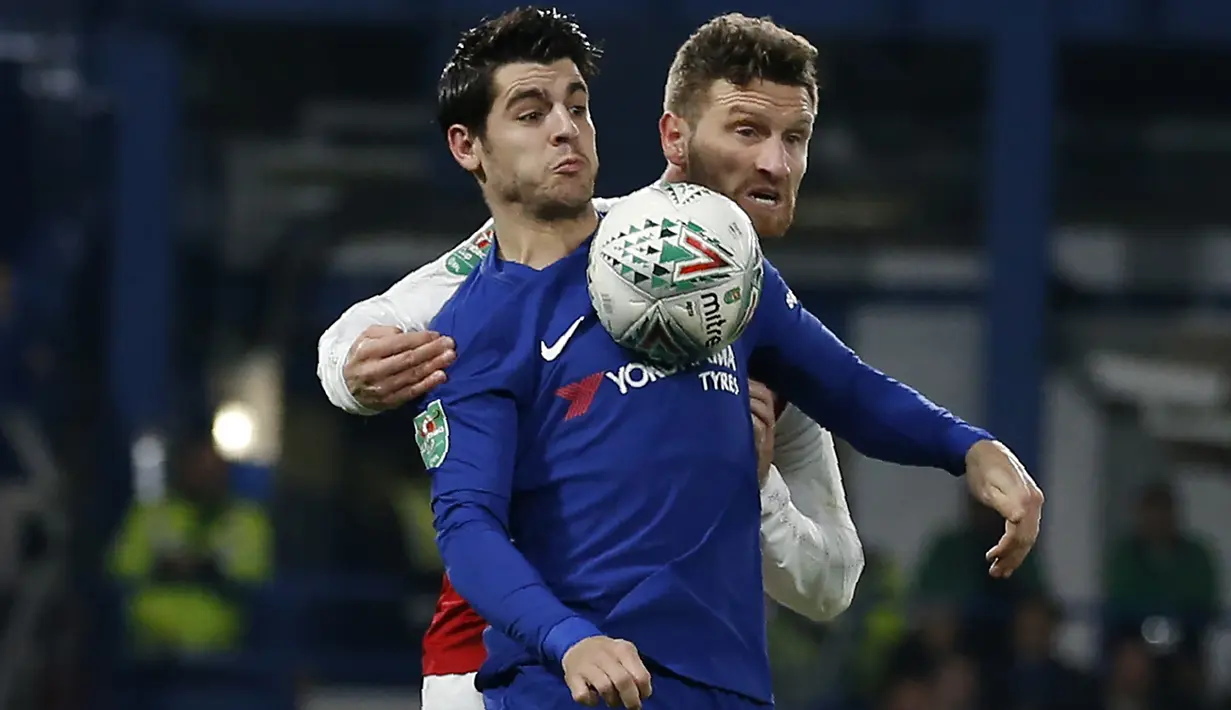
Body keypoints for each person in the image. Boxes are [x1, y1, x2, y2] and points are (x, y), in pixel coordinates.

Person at [413, 8, 1038, 710]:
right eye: (531, 113)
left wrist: (971, 448)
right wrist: (567, 637)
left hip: (725, 686)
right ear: (468, 147)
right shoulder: (474, 326)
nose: (565, 127)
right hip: (569, 687)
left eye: (578, 107)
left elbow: (851, 390)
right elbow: (466, 527)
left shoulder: (708, 270)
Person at [320, 12, 872, 710]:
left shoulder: (769, 344)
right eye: (744, 132)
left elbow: (830, 585)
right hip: (493, 668)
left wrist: (755, 490)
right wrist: (347, 371)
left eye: (793, 140)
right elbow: (381, 317)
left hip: (672, 677)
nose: (773, 163)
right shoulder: (600, 248)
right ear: (674, 138)